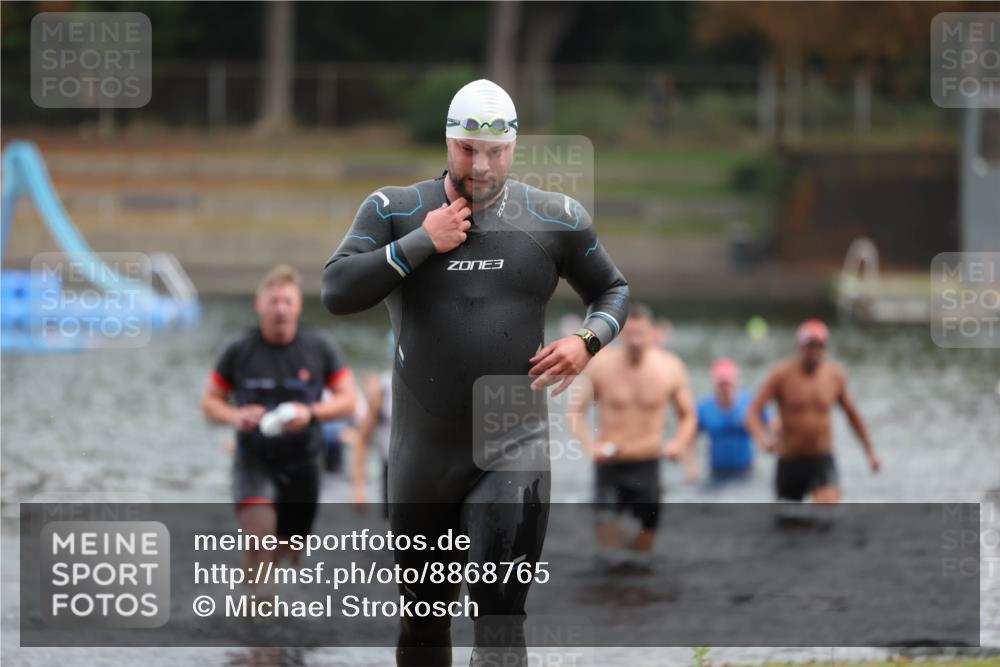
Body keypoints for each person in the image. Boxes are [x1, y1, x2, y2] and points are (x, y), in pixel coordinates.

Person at [321, 79, 629, 666]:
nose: (480, 165)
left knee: (500, 618)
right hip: (423, 452)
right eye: (466, 149)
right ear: (447, 140)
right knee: (423, 623)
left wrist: (588, 341)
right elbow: (336, 290)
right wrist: (417, 244)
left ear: (514, 148)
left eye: (494, 151)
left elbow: (612, 290)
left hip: (512, 442)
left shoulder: (555, 217)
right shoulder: (395, 210)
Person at [201, 265, 357, 571]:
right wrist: (235, 415)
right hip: (254, 459)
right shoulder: (239, 349)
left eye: (287, 301)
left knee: (288, 553)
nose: (280, 309)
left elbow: (349, 401)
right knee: (260, 538)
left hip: (304, 462)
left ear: (299, 305)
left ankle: (270, 603)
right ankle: (251, 605)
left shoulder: (319, 347)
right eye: (273, 302)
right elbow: (209, 402)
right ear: (259, 306)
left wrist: (310, 413)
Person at [568, 304, 696, 552]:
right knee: (608, 551)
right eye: (631, 334)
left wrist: (678, 444)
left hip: (647, 465)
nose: (636, 341)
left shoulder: (670, 367)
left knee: (643, 552)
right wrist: (590, 447)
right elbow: (575, 412)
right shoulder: (601, 365)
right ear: (621, 335)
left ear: (652, 333)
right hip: (609, 465)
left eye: (641, 334)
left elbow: (688, 415)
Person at [746, 319, 880, 503]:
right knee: (790, 524)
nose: (815, 351)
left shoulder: (834, 376)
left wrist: (870, 452)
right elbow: (752, 413)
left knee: (827, 510)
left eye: (820, 346)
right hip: (789, 460)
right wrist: (763, 440)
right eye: (810, 345)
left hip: (821, 459)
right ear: (799, 346)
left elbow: (853, 416)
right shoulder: (782, 375)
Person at [694, 357, 777, 487]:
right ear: (714, 384)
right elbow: (689, 438)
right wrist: (691, 467)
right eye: (721, 384)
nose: (725, 389)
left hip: (746, 472)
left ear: (736, 382)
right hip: (716, 474)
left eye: (728, 384)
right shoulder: (704, 408)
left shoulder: (750, 404)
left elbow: (773, 426)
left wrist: (769, 441)